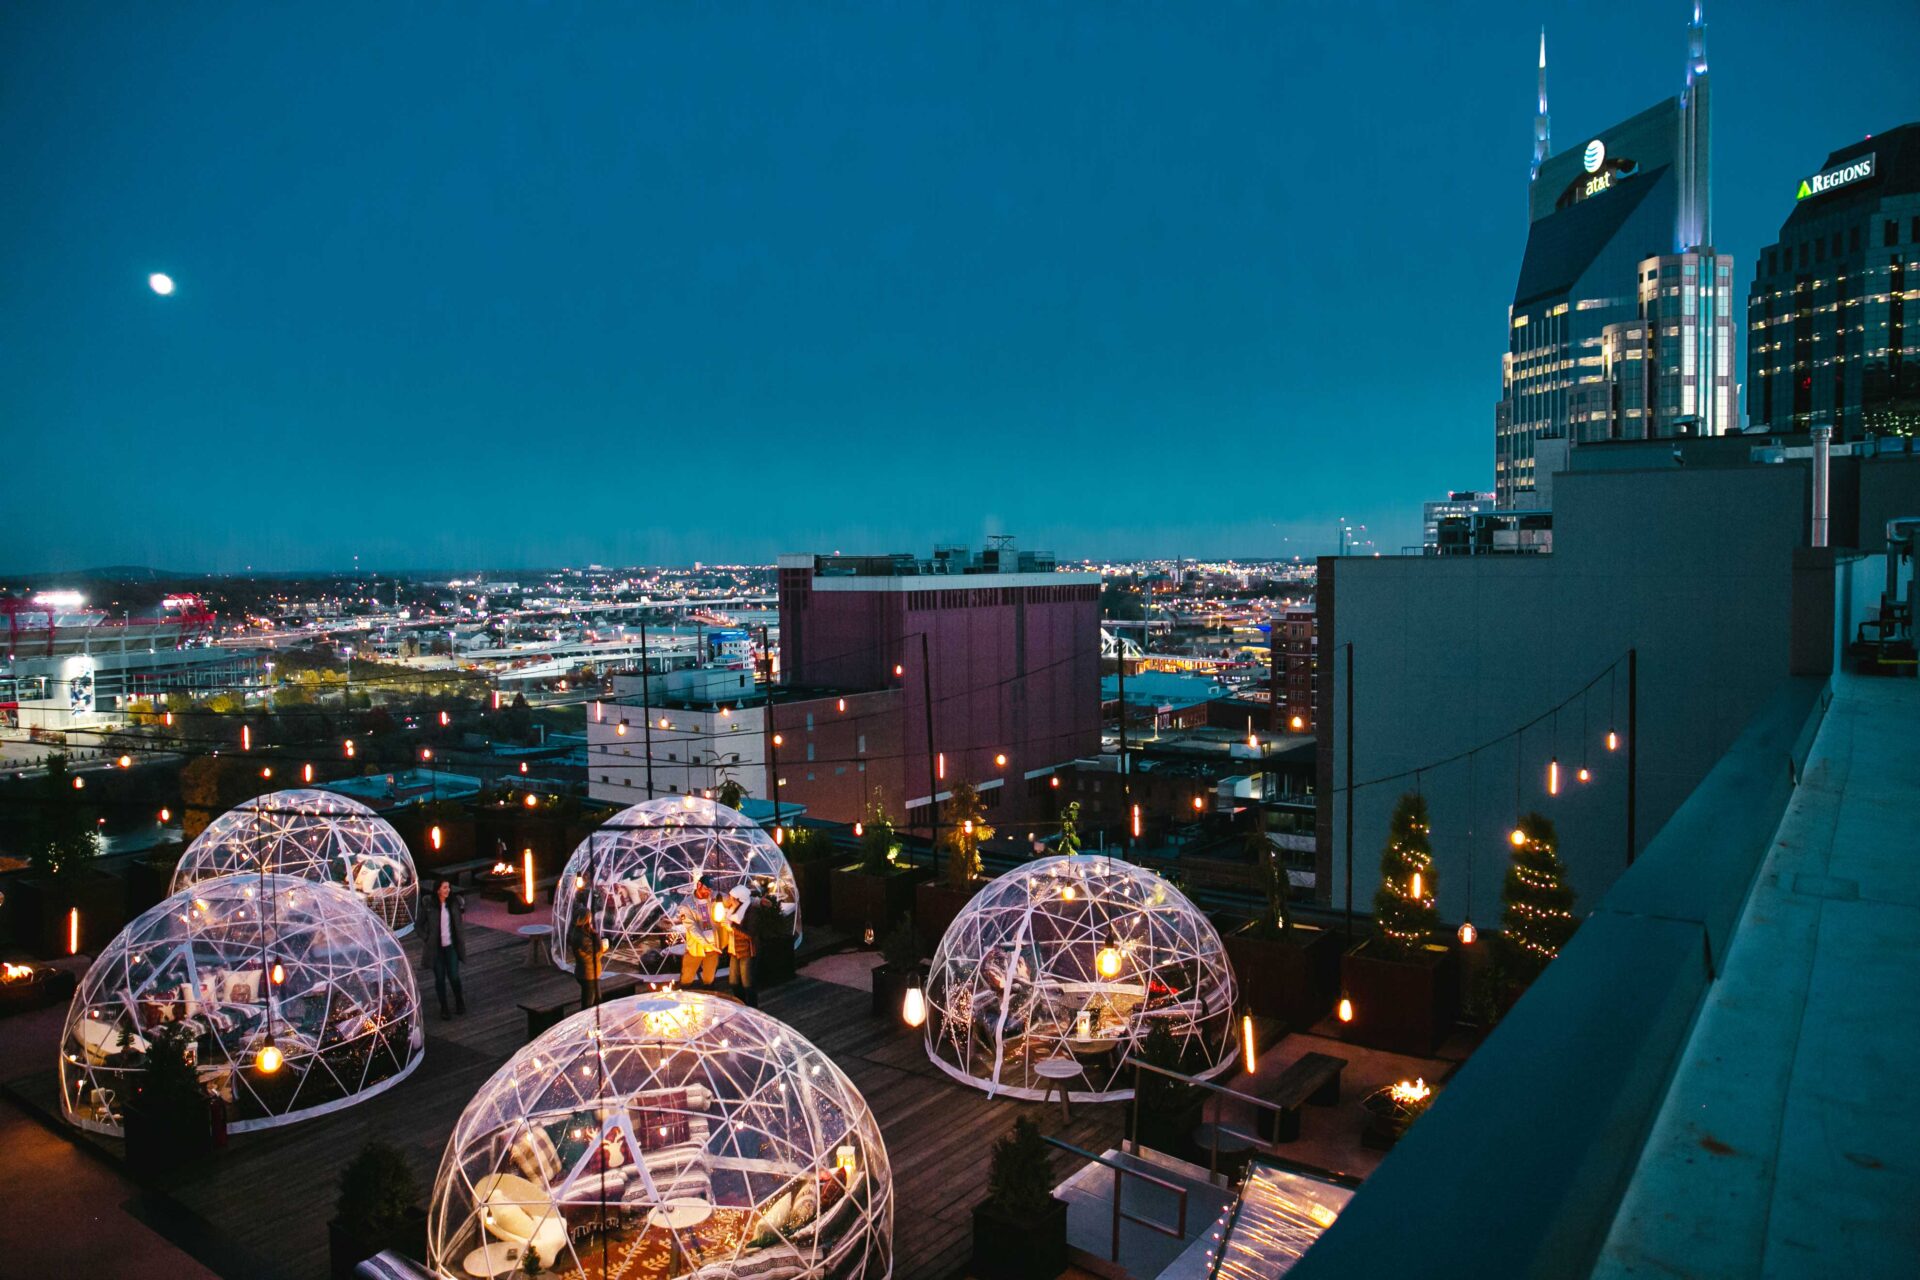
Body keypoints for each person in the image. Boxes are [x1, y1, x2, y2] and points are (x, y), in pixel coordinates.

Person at [423, 878, 466, 1020]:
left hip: (451, 946)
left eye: (448, 887)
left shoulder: (454, 903)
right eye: (445, 887)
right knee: (440, 978)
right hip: (436, 949)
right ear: (438, 890)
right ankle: (444, 1007)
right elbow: (418, 925)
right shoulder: (430, 905)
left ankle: (459, 1001)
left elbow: (459, 921)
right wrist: (427, 938)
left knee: (454, 976)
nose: (448, 890)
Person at [679, 878, 722, 989]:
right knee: (687, 978)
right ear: (699, 885)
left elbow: (732, 899)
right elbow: (692, 928)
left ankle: (709, 1000)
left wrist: (757, 901)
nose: (708, 892)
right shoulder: (686, 905)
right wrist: (705, 944)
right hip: (695, 948)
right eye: (706, 889)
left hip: (713, 947)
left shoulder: (714, 897)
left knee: (709, 979)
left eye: (710, 890)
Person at [568, 900, 608, 1009]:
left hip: (591, 973)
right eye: (589, 917)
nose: (591, 919)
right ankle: (587, 1024)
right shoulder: (582, 939)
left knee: (598, 1001)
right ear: (585, 919)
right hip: (588, 974)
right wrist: (600, 944)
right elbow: (597, 954)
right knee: (589, 1006)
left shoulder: (581, 932)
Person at [726, 884, 758, 1006]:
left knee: (748, 984)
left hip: (746, 952)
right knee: (733, 982)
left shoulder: (751, 912)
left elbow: (750, 935)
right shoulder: (732, 911)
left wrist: (732, 927)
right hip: (734, 951)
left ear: (739, 900)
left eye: (731, 898)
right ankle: (741, 1004)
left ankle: (752, 1008)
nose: (729, 901)